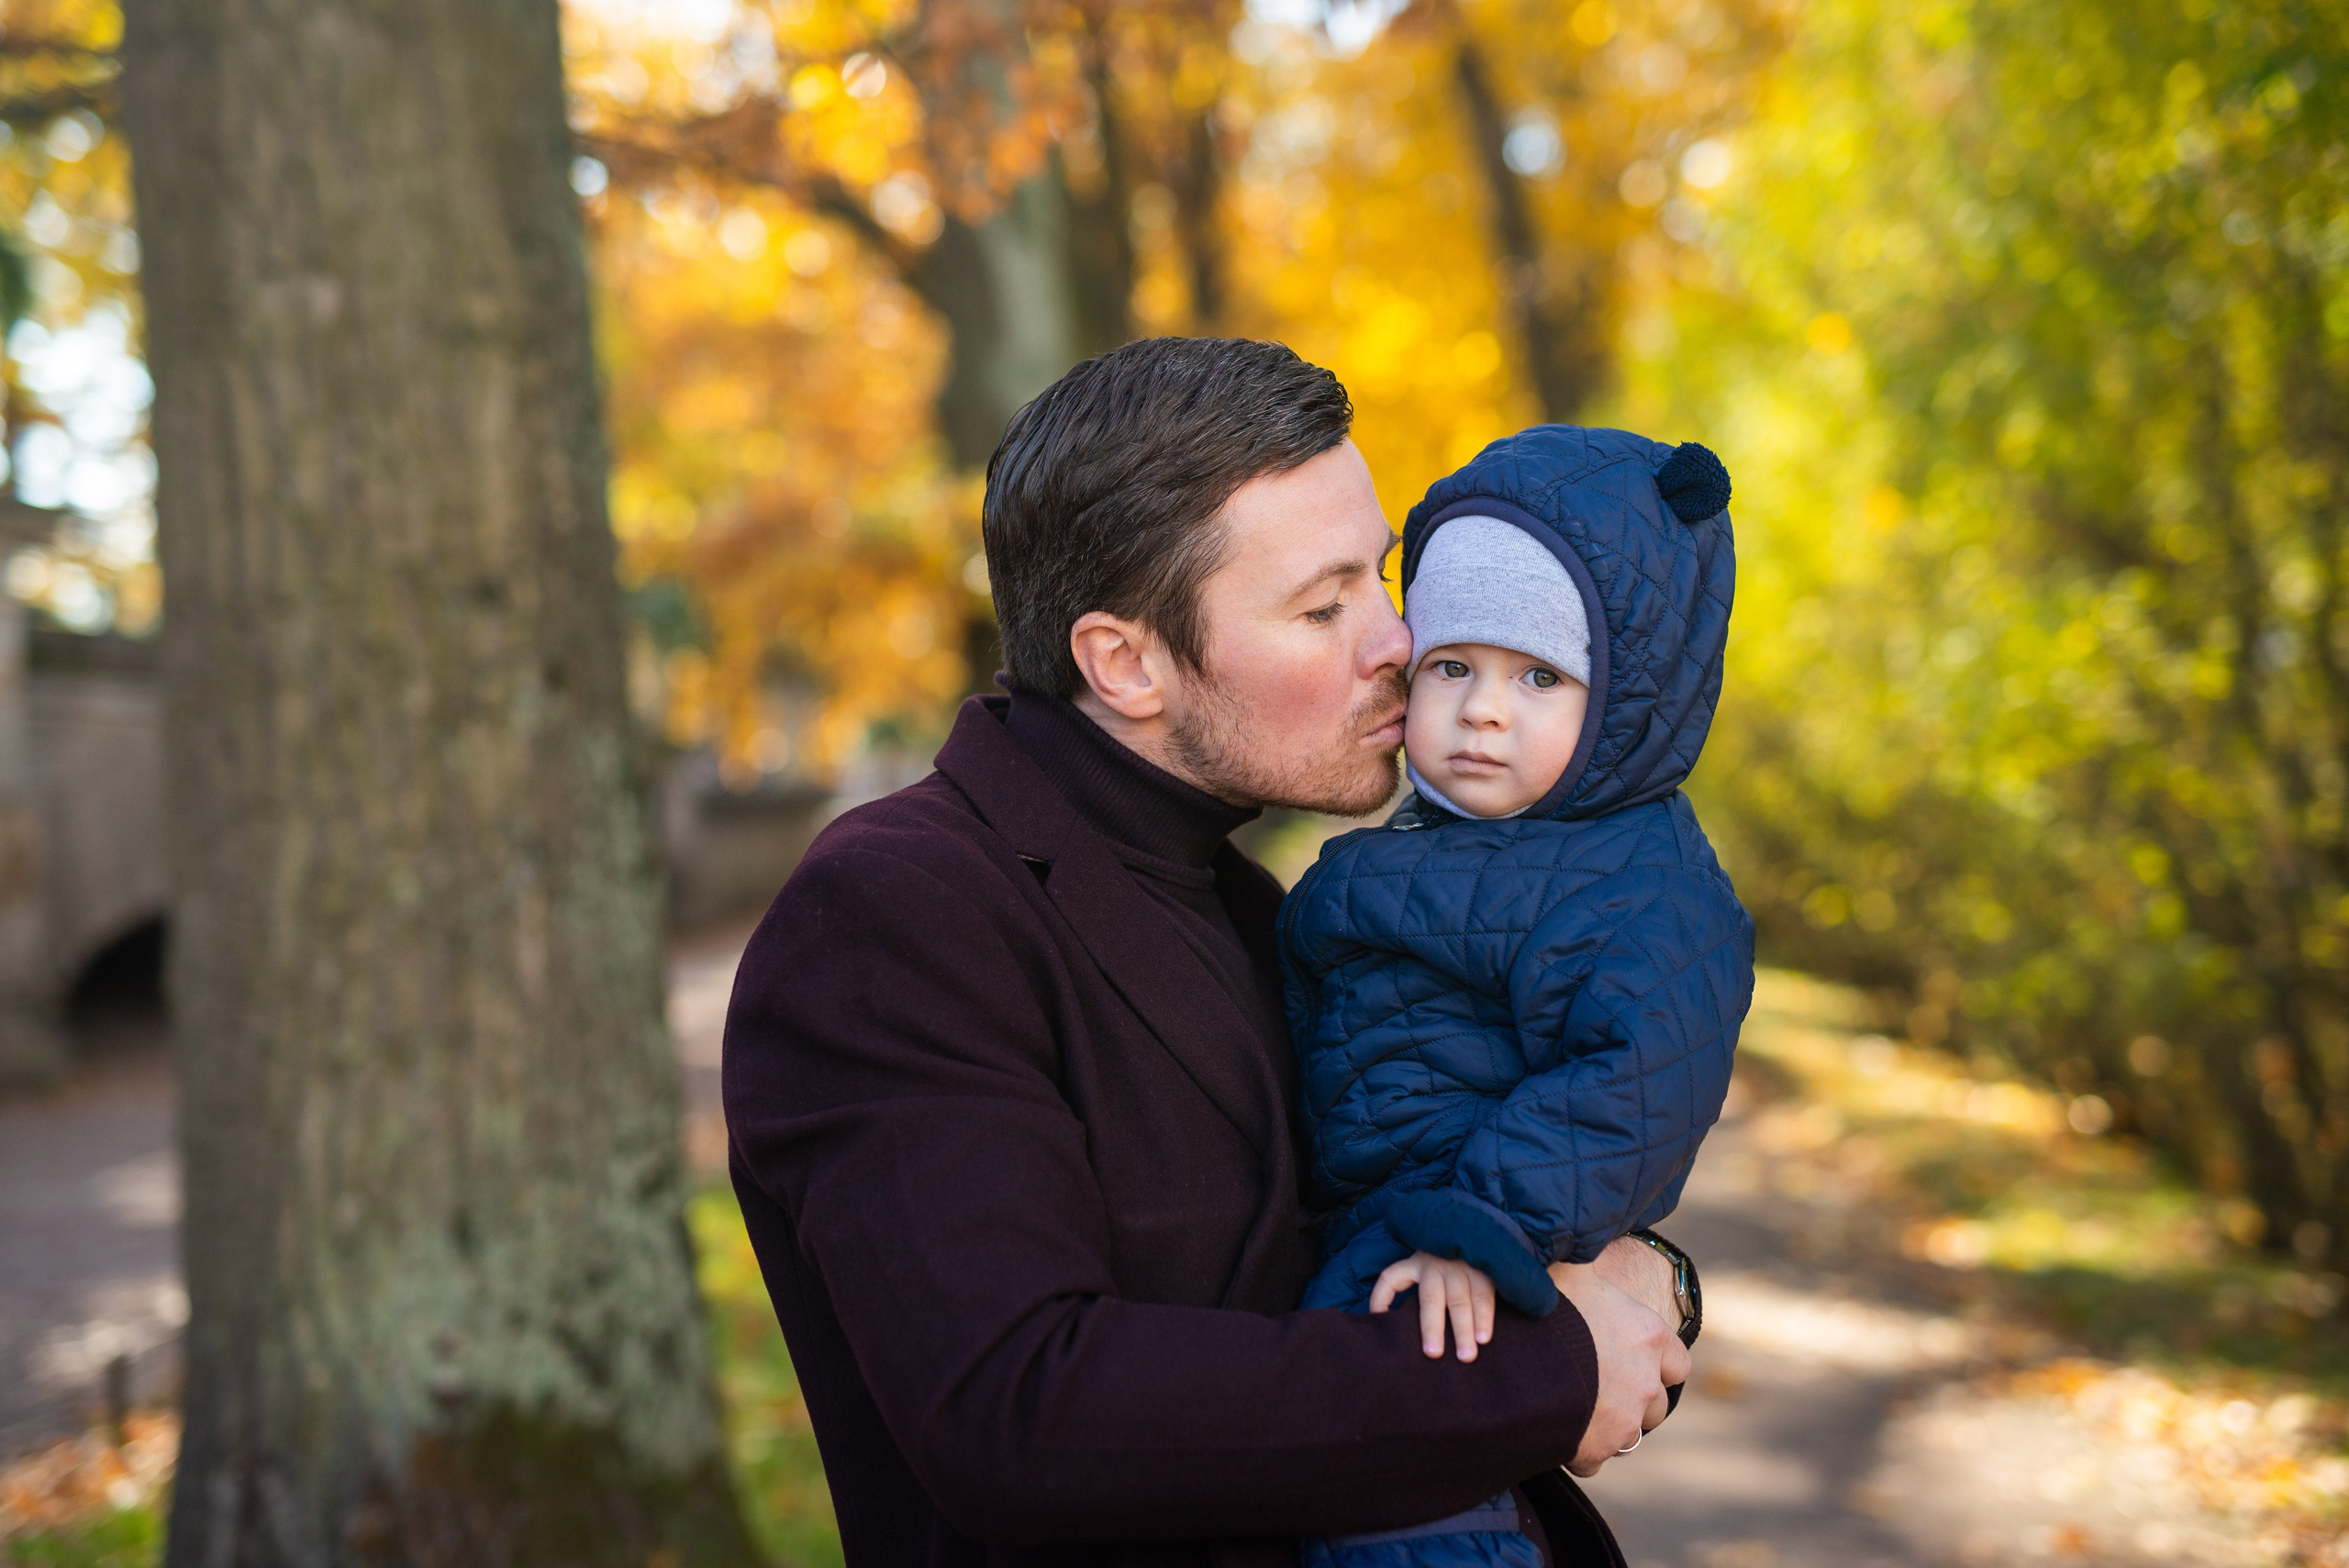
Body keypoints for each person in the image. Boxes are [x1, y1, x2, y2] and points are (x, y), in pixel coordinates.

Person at [721, 338, 1691, 1568]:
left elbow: (1434, 1181)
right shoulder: (895, 913)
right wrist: (1544, 1376)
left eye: (1383, 577)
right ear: (1124, 661)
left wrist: (1646, 1272)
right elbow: (1024, 1412)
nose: (1395, 639)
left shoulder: (1246, 898)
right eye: (1323, 604)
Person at [1281, 427, 1755, 1568]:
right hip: (1373, 1209)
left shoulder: (1640, 881)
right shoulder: (1405, 851)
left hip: (1463, 1224)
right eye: (1454, 666)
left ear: (1625, 702)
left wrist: (1485, 1225)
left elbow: (1637, 1079)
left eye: (1539, 676)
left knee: (1401, 1483)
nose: (1485, 709)